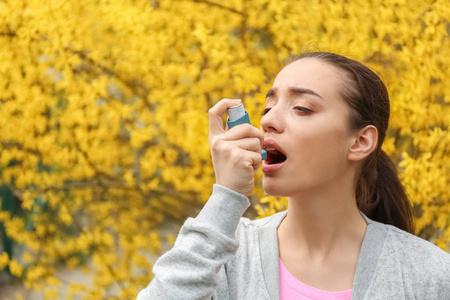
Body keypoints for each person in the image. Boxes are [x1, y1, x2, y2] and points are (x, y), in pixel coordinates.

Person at [137, 52, 450, 299]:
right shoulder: (224, 258)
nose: (269, 120)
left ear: (360, 142)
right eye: (269, 106)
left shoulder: (428, 274)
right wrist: (225, 198)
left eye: (301, 108)